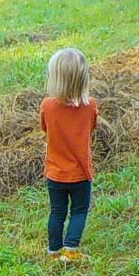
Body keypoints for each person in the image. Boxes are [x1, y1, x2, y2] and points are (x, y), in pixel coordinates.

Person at [40, 48, 98, 263]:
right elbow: (92, 126)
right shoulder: (90, 105)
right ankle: (71, 250)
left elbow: (44, 127)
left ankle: (54, 251)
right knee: (79, 211)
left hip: (55, 172)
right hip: (81, 173)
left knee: (57, 212)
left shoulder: (47, 105)